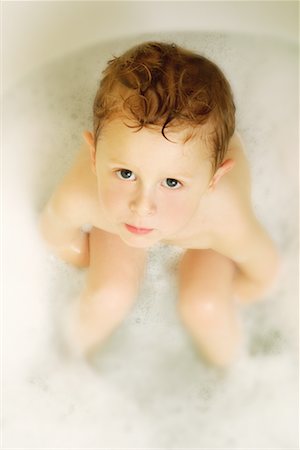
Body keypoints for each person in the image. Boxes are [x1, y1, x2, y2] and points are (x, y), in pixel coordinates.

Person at [39, 41, 280, 367]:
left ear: (212, 180)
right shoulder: (84, 194)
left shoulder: (223, 217)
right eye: (125, 173)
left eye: (171, 183)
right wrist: (85, 259)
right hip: (125, 223)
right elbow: (55, 232)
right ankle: (64, 367)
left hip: (201, 235)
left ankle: (239, 379)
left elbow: (264, 273)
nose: (142, 205)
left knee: (206, 307)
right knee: (106, 297)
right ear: (94, 157)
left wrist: (233, 295)